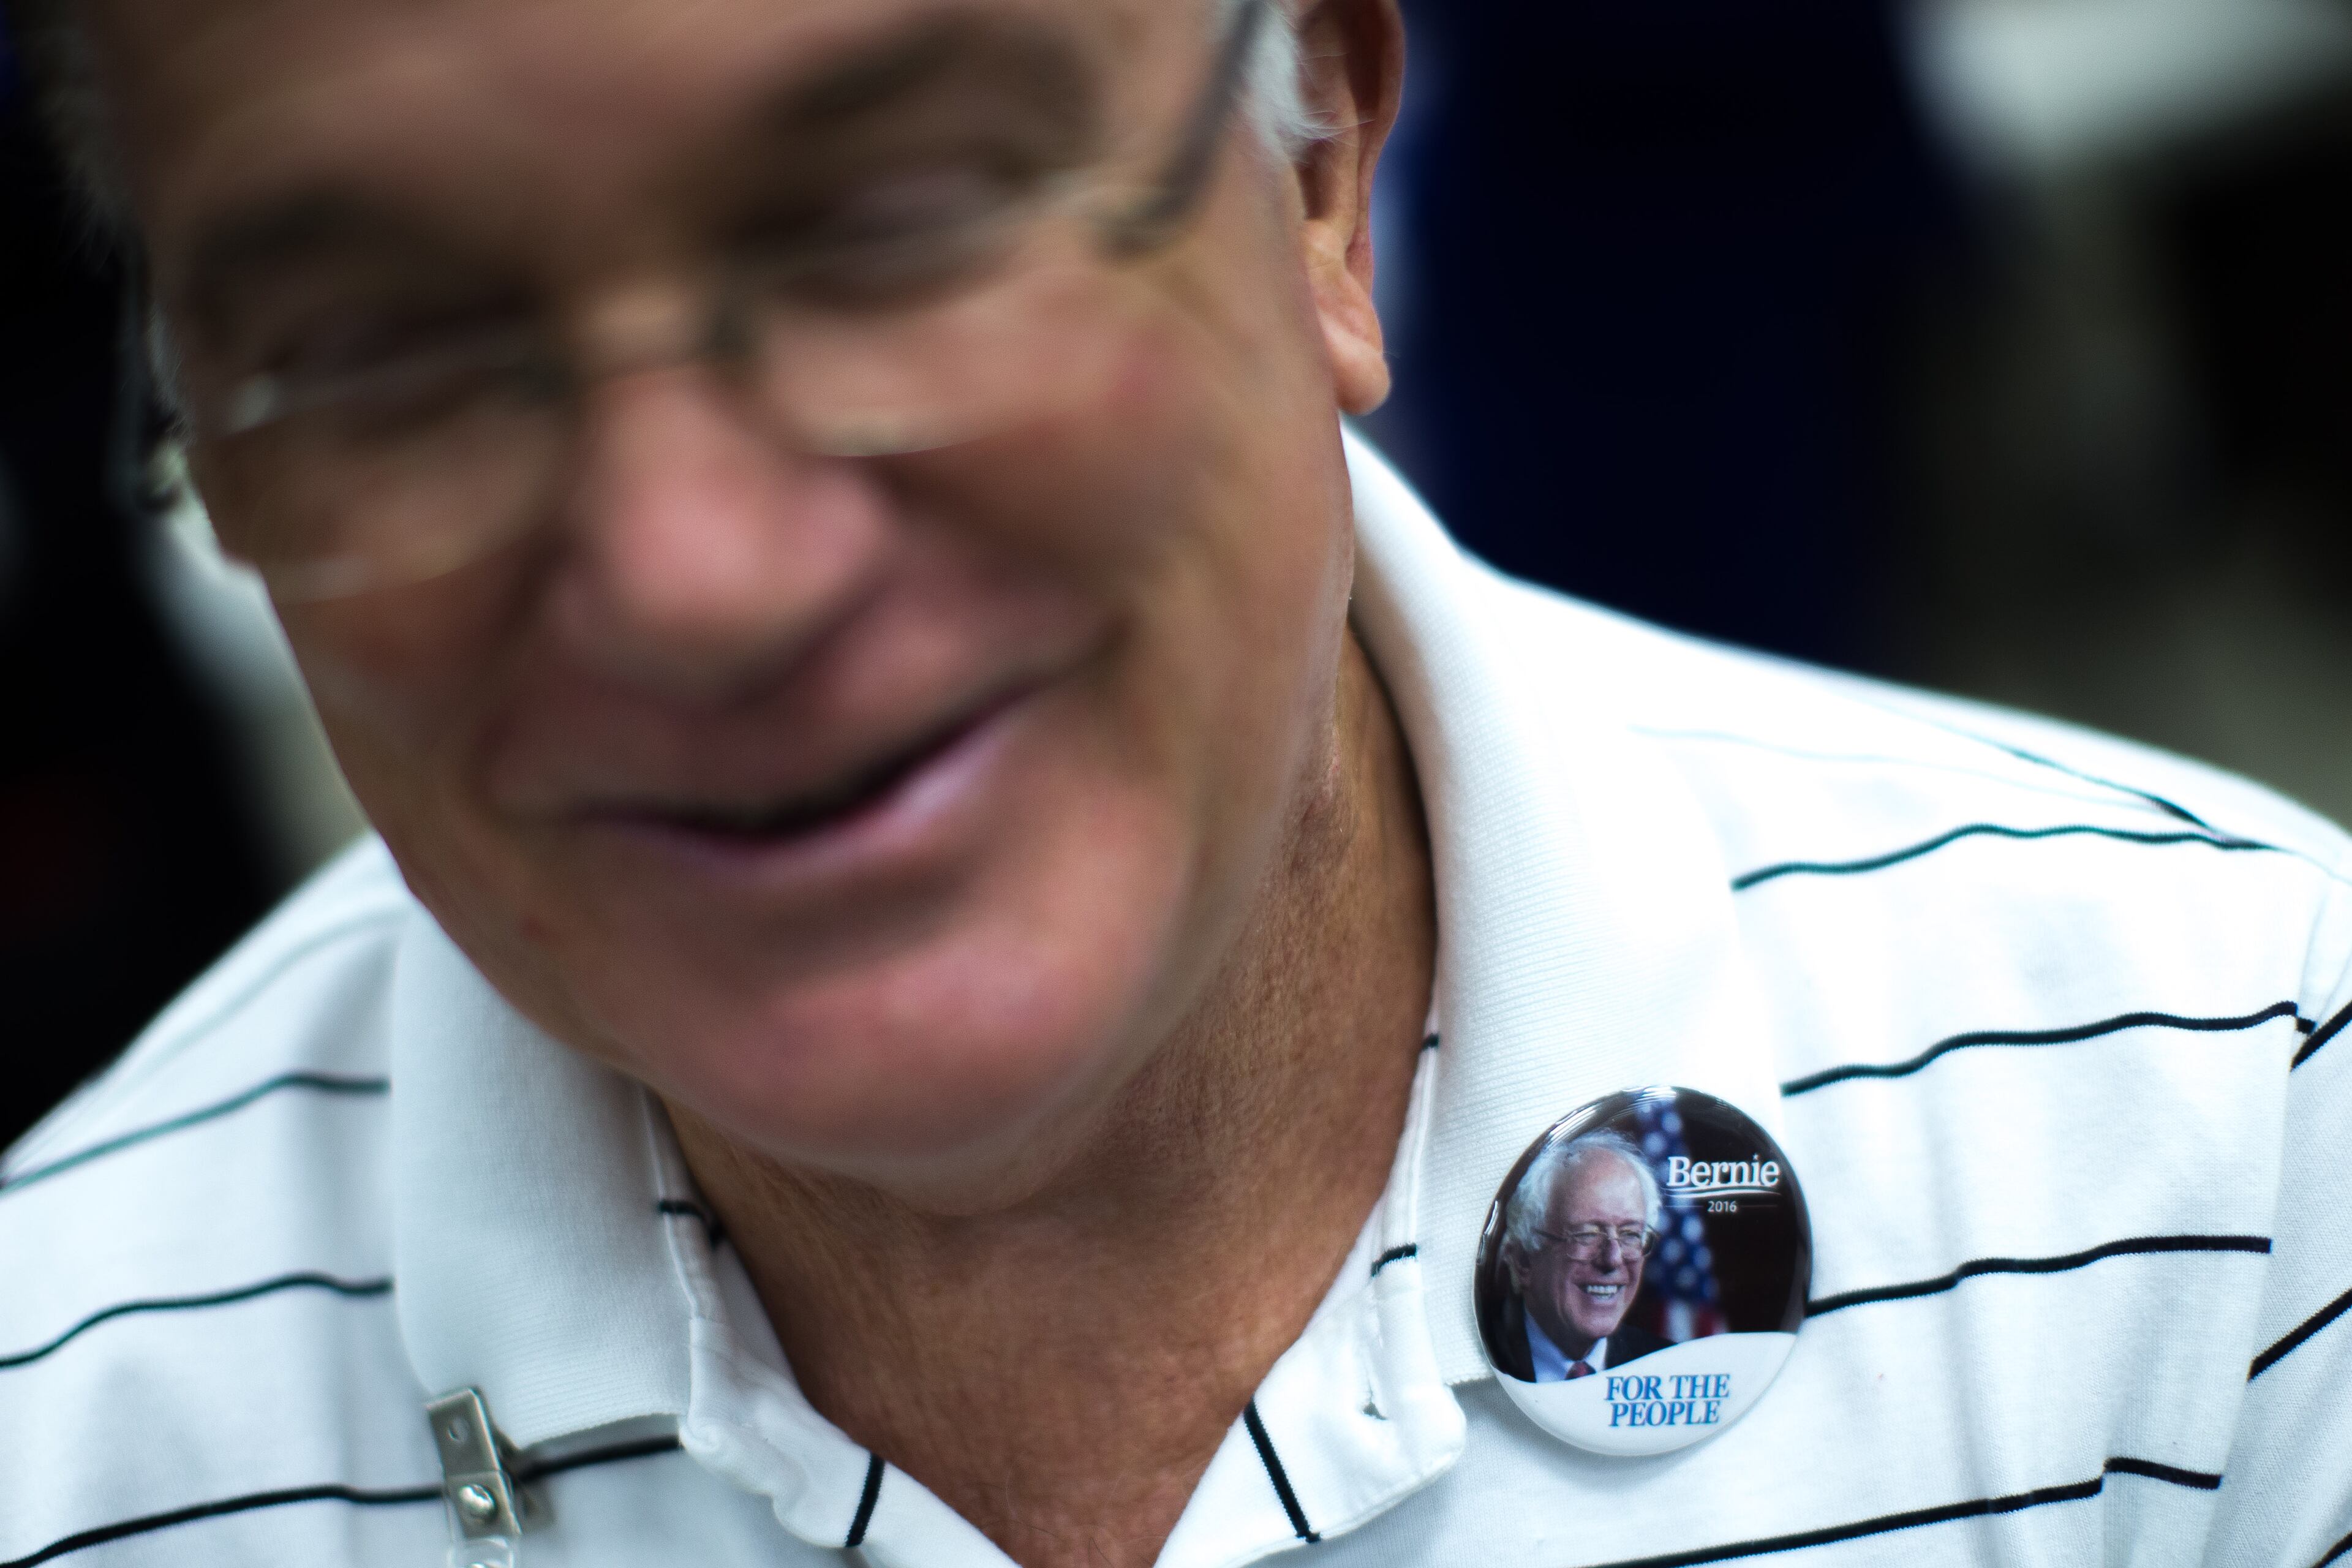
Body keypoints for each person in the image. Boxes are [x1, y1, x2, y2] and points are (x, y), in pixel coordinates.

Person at [4, 1, 2350, 1566]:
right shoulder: (64, 1433)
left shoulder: (2232, 1150)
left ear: (1319, 157)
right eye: (388, 351)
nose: (693, 568)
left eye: (894, 220)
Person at [1491, 1133, 1672, 1382]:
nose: (1613, 1260)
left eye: (1630, 1234)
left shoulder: (1667, 1367)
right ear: (1523, 1260)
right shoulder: (1478, 1358)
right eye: (1587, 1235)